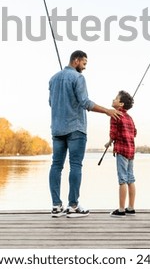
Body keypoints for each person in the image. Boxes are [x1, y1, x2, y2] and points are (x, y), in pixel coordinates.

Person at [48, 50, 122, 218]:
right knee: (75, 165)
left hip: (57, 128)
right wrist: (106, 111)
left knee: (56, 166)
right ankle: (73, 206)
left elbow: (51, 103)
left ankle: (56, 206)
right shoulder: (78, 78)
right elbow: (85, 102)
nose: (85, 67)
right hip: (75, 128)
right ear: (76, 60)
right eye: (84, 63)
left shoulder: (53, 79)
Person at [105, 90, 137, 217]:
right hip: (131, 151)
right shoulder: (129, 118)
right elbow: (134, 132)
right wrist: (110, 142)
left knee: (122, 179)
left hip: (121, 151)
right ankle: (131, 208)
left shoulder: (114, 115)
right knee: (131, 179)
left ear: (121, 104)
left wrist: (110, 141)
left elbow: (113, 133)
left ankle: (121, 209)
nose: (113, 99)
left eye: (116, 98)